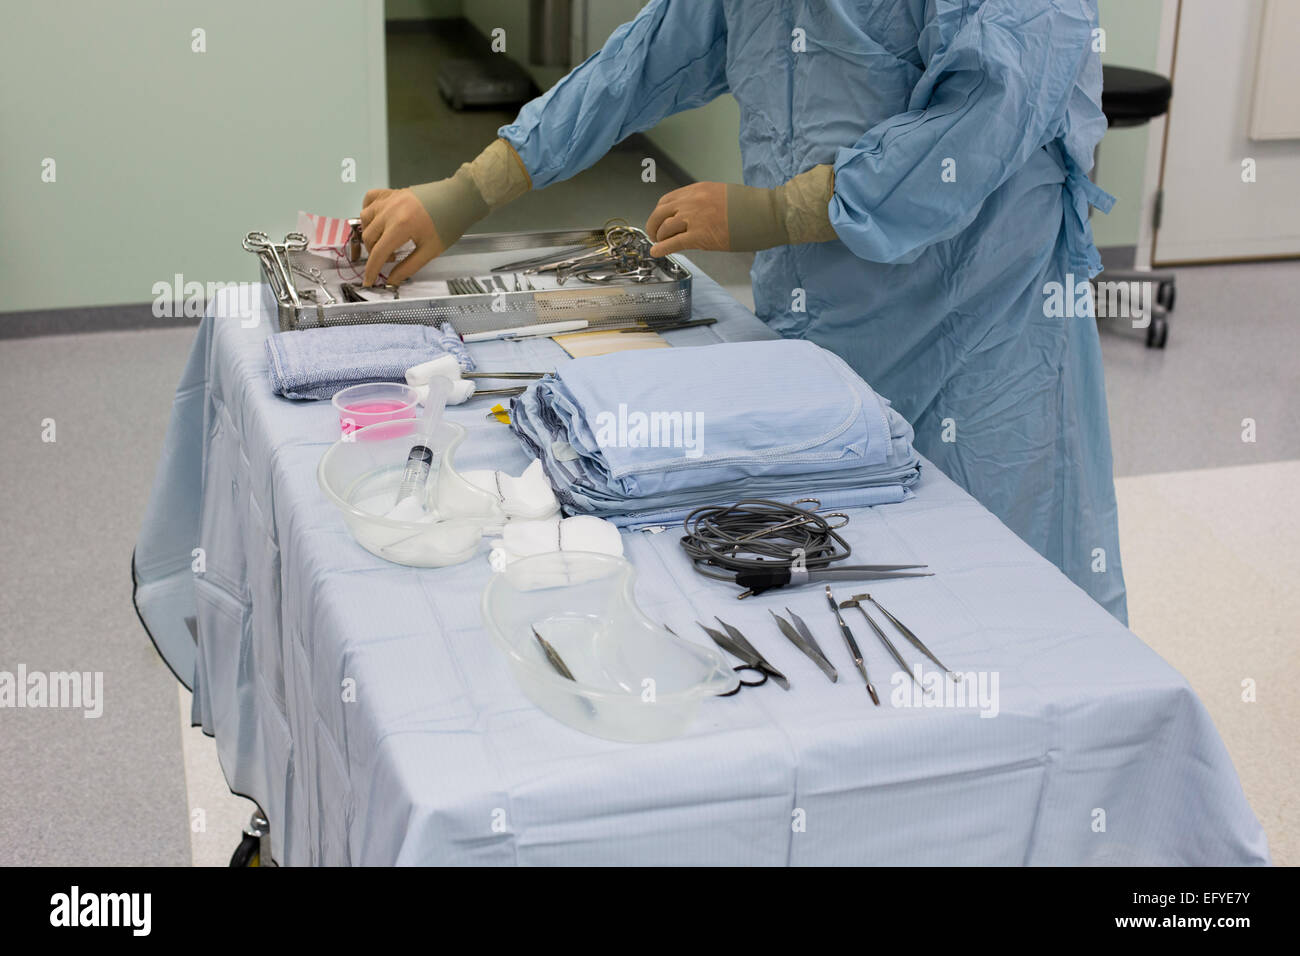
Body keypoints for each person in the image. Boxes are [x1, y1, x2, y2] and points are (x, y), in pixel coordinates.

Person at [360, 0, 1128, 623]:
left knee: (996, 605)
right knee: (824, 575)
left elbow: (979, 121)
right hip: (823, 315)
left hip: (979, 325)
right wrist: (469, 192)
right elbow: (643, 62)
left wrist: (777, 211)